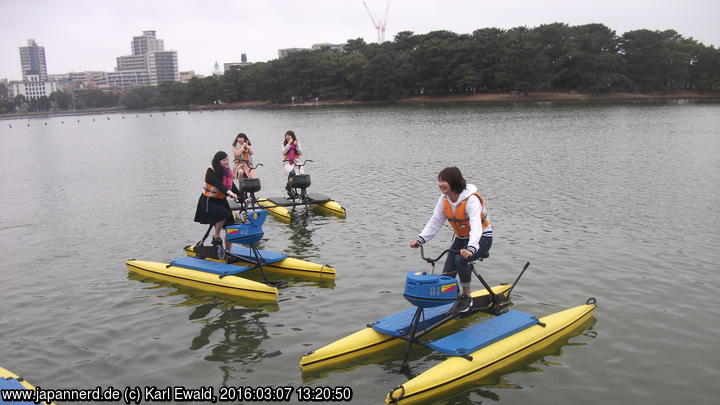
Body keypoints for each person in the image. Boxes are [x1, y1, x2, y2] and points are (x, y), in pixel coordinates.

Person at [410, 167, 493, 312]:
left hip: (481, 238)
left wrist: (471, 248)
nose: (440, 184)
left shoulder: (471, 200)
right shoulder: (444, 200)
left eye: (444, 181)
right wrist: (421, 239)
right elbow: (435, 221)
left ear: (454, 182)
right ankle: (451, 301)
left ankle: (467, 297)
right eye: (439, 181)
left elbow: (476, 226)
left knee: (460, 260)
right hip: (461, 239)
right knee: (447, 276)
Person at [194, 151, 239, 250]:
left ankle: (228, 252)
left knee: (231, 227)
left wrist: (244, 199)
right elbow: (219, 185)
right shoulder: (211, 172)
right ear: (218, 161)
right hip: (208, 201)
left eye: (227, 159)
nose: (226, 162)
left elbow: (234, 188)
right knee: (223, 214)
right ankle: (216, 236)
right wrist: (229, 193)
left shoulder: (226, 172)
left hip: (221, 201)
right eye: (224, 160)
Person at [281, 130, 303, 196]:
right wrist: (289, 144)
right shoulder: (283, 144)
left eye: (288, 135)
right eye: (286, 136)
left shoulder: (297, 142)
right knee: (292, 172)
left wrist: (296, 146)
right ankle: (289, 186)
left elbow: (301, 153)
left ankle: (303, 192)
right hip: (288, 162)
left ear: (292, 136)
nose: (287, 137)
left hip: (296, 162)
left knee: (301, 176)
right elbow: (283, 152)